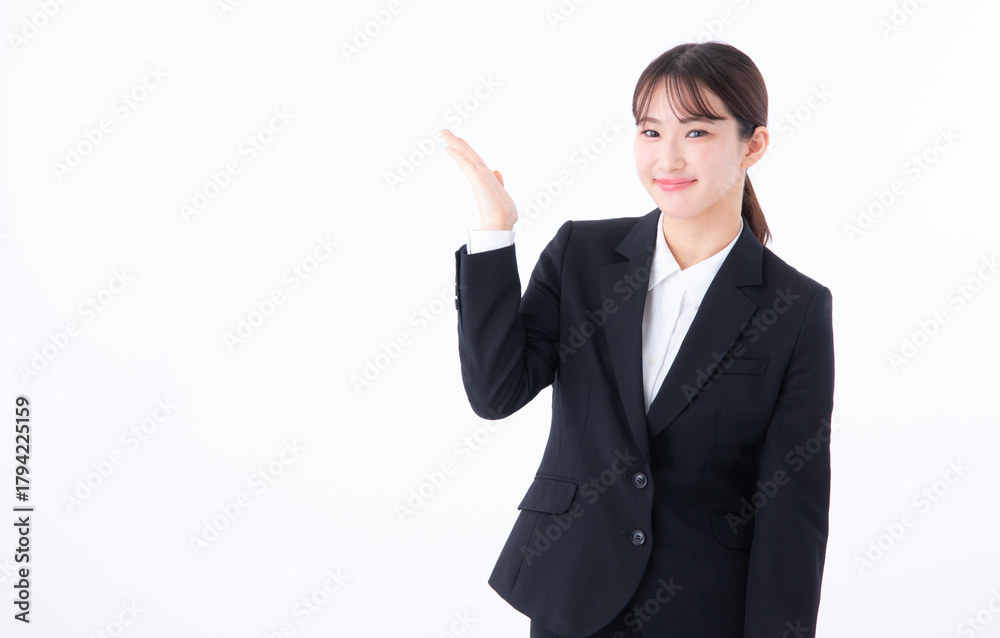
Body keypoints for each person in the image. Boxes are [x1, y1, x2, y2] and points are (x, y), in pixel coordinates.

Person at [443, 41, 835, 638]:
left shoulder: (796, 306)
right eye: (651, 132)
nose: (668, 158)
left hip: (703, 611)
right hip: (573, 597)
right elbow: (496, 392)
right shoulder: (581, 255)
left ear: (753, 145)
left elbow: (793, 509)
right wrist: (494, 235)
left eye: (697, 132)